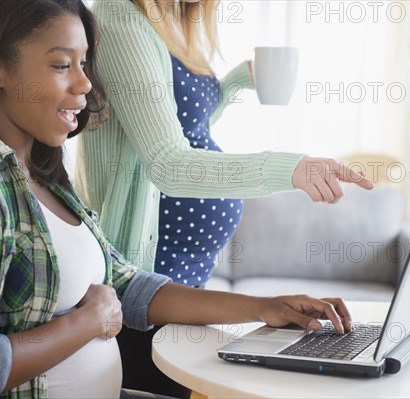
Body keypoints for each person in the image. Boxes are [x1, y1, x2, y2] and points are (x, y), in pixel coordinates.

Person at [0, 1, 353, 398]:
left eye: (85, 64)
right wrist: (85, 323)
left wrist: (267, 308)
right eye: (63, 65)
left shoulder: (42, 175)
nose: (86, 85)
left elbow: (127, 286)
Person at [74, 0, 374, 397]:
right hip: (142, 288)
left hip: (184, 287)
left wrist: (232, 84)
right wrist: (290, 169)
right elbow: (166, 163)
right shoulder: (120, 18)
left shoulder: (177, 18)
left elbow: (186, 127)